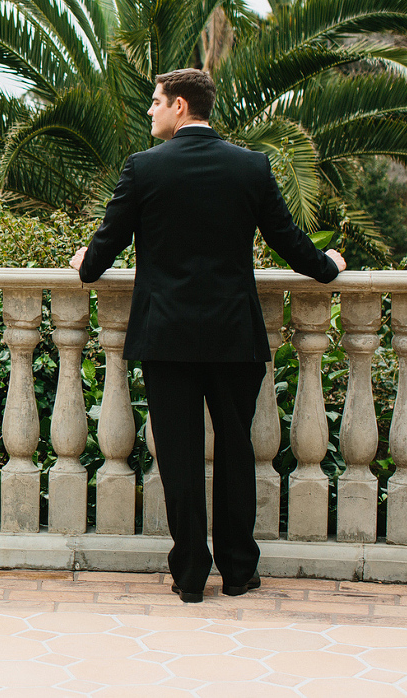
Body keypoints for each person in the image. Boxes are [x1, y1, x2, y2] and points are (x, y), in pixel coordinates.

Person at [70, 69, 344, 603]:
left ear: (179, 106)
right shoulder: (250, 166)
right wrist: (329, 266)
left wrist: (86, 262)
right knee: (237, 453)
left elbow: (103, 250)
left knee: (179, 456)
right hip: (233, 336)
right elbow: (289, 242)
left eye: (154, 103)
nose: (149, 111)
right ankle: (240, 570)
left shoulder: (144, 169)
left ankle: (191, 575)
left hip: (167, 338)